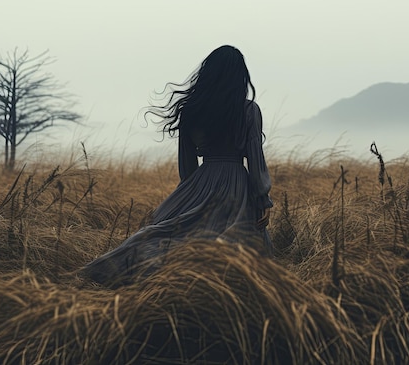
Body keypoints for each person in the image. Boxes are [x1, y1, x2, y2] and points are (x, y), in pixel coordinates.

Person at [80, 45, 273, 287]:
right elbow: (255, 159)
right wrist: (263, 199)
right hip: (237, 184)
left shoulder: (191, 111)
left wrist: (192, 194)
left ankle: (115, 272)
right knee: (235, 243)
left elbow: (187, 167)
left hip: (200, 181)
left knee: (173, 234)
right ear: (239, 77)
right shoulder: (248, 110)